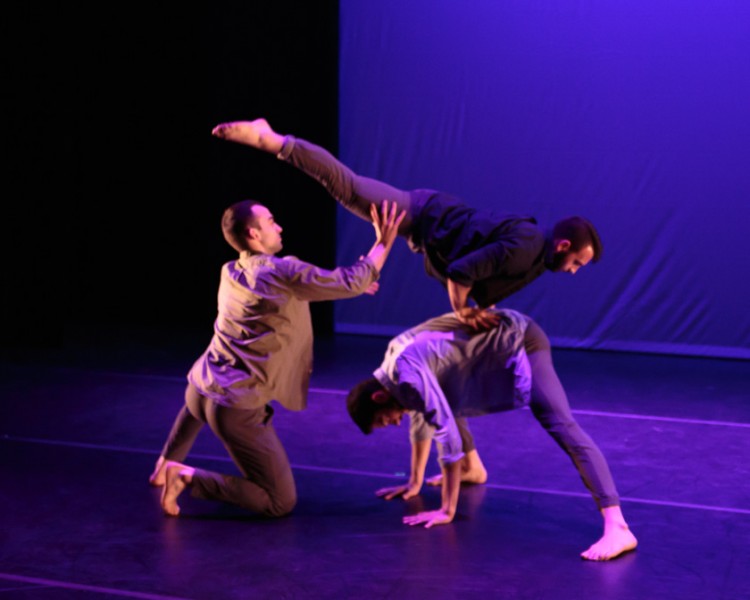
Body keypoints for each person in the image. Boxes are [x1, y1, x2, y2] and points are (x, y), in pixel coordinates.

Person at [211, 117, 604, 486]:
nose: (573, 270)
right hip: (418, 214)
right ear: (564, 245)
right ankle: (272, 139)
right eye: (577, 262)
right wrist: (462, 309)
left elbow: (478, 287)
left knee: (441, 371)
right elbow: (460, 274)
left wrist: (474, 309)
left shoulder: (536, 260)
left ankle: (470, 463)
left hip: (429, 231)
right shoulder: (528, 249)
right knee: (347, 188)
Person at [149, 197, 405, 518]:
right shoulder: (283, 272)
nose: (279, 226)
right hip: (235, 409)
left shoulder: (231, 271)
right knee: (279, 501)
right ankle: (186, 477)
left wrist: (339, 286)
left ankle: (163, 465)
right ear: (253, 234)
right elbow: (346, 281)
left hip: (199, 389)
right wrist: (383, 243)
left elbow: (293, 291)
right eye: (271, 221)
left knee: (195, 405)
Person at [345, 308, 638, 561]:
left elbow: (445, 431)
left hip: (521, 339)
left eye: (385, 421)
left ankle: (618, 526)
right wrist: (414, 480)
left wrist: (446, 510)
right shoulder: (393, 364)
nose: (394, 424)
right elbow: (421, 415)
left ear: (379, 398)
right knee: (441, 400)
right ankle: (473, 469)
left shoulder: (405, 373)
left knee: (560, 424)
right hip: (485, 349)